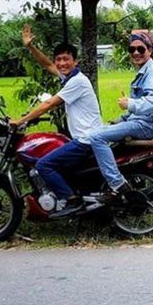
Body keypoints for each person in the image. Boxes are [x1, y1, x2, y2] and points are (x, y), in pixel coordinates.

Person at [10, 24, 102, 216]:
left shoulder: (77, 81)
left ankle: (70, 199)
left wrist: (21, 120)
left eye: (66, 59)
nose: (61, 63)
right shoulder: (69, 77)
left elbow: (50, 103)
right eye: (59, 59)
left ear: (75, 61)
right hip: (86, 137)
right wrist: (30, 47)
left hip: (86, 140)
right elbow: (47, 65)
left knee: (43, 164)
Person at [88, 32, 153, 204]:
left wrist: (131, 103)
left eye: (140, 49)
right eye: (132, 49)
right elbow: (139, 109)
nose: (136, 53)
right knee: (102, 132)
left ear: (150, 50)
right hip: (144, 122)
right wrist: (120, 119)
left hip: (149, 125)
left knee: (96, 137)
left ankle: (117, 184)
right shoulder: (146, 71)